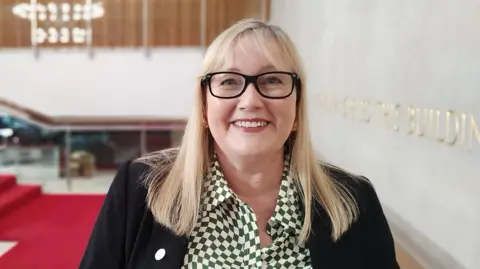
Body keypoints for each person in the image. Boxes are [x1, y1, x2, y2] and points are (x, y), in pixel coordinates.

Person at [79, 19, 399, 269]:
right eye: (229, 81)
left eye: (271, 80)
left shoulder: (354, 201)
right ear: (204, 107)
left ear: (298, 107)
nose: (250, 101)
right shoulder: (141, 188)